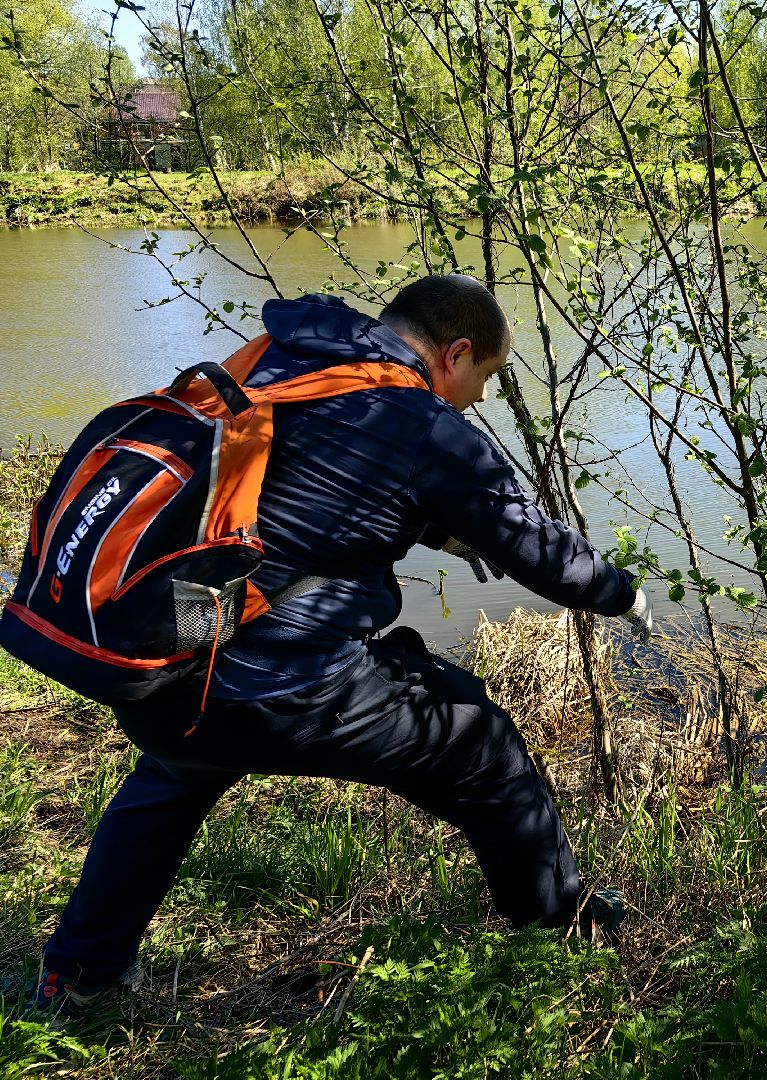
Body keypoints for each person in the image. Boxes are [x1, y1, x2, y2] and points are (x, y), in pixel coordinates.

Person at [28, 275, 651, 1015]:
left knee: (176, 769)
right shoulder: (423, 423)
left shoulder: (278, 358)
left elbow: (304, 482)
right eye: (485, 377)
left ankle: (77, 978)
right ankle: (558, 932)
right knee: (481, 741)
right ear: (454, 353)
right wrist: (623, 592)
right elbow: (536, 548)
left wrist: (427, 523)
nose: (483, 398)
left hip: (171, 668)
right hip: (278, 690)